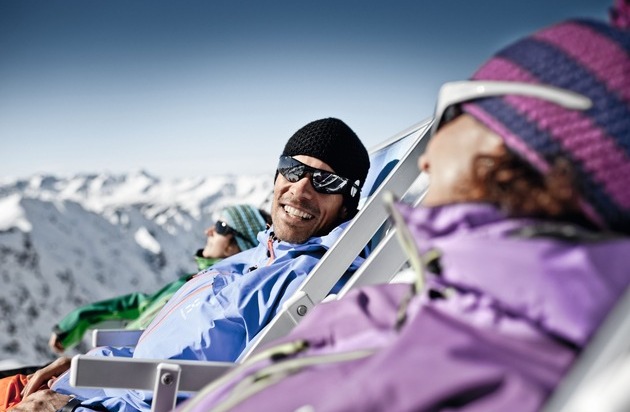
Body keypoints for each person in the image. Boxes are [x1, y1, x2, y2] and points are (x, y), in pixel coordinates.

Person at [171, 3, 630, 412]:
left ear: (514, 152)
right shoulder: (441, 302)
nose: (426, 159)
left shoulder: (470, 363)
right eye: (292, 168)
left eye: (450, 113)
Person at [8, 117, 370, 412]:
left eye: (326, 181)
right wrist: (86, 364)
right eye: (292, 170)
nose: (301, 189)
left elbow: (233, 393)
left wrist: (72, 406)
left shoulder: (312, 280)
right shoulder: (260, 254)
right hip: (93, 383)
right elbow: (169, 344)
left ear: (347, 204)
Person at [48, 204, 271, 354]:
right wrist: (77, 320)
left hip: (119, 366)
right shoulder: (190, 281)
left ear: (240, 244)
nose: (208, 231)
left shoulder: (221, 291)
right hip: (109, 360)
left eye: (221, 226)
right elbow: (141, 303)